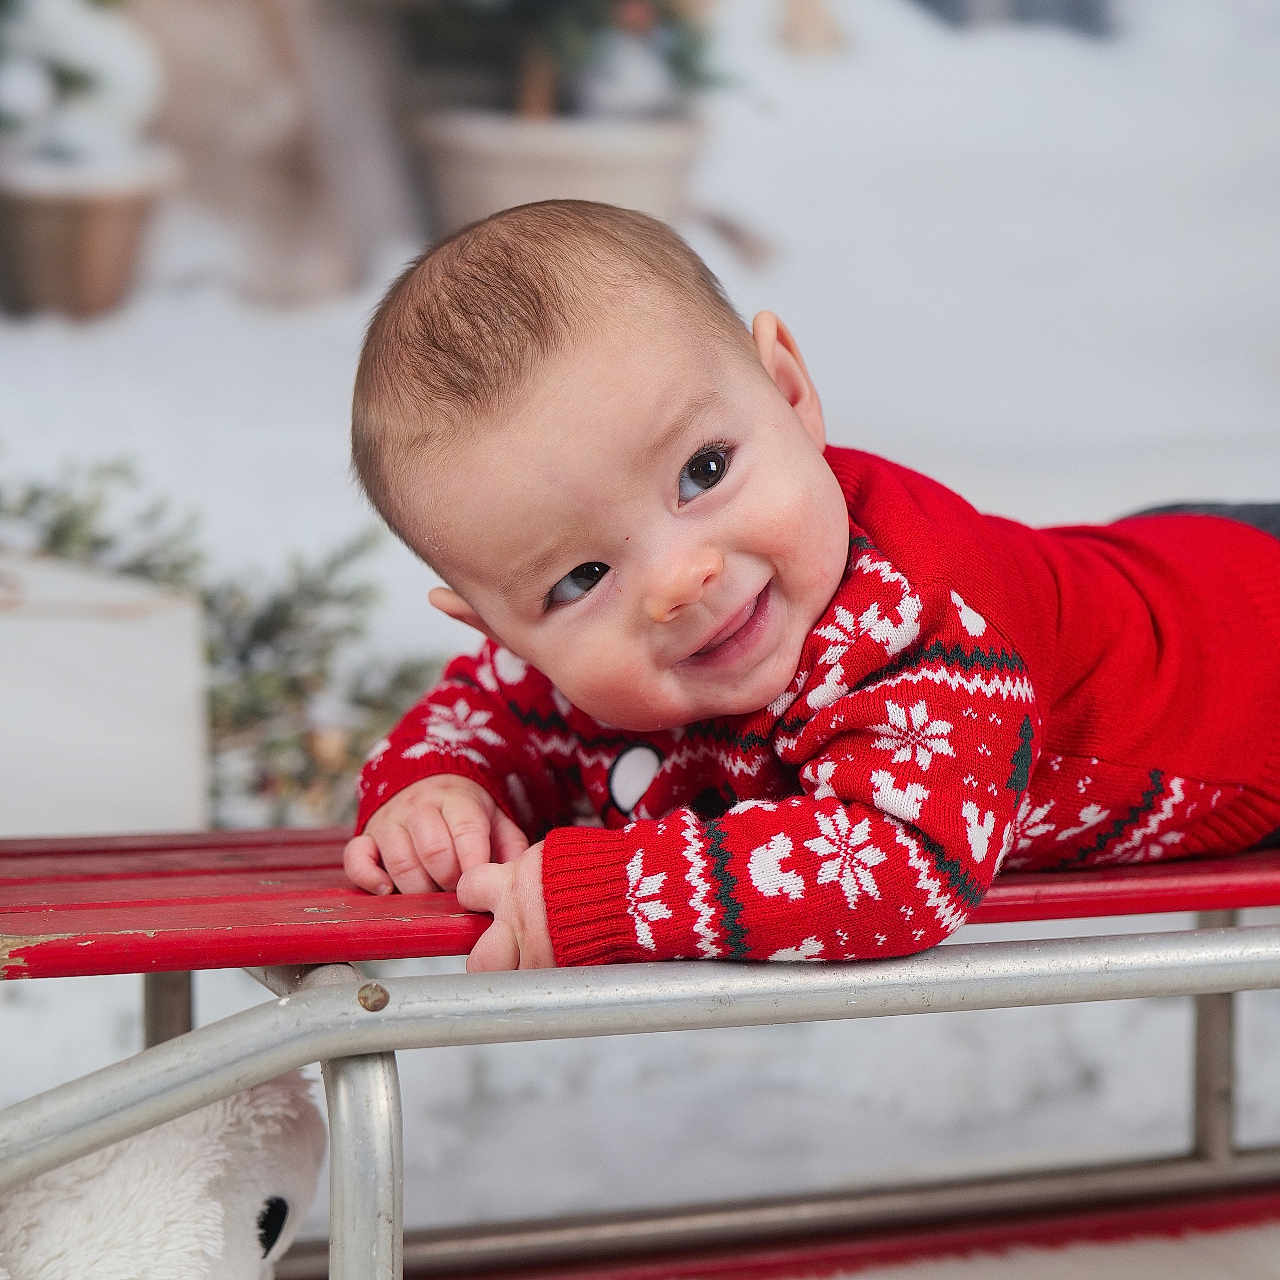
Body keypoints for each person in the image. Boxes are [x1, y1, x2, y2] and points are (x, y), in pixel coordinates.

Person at [342, 199, 1280, 974]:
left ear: (789, 391)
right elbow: (483, 716)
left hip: (1249, 647)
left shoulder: (923, 615)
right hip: (1166, 562)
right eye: (582, 578)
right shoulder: (600, 652)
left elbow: (900, 864)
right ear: (504, 631)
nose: (678, 580)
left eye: (703, 472)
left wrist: (614, 891)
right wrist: (434, 794)